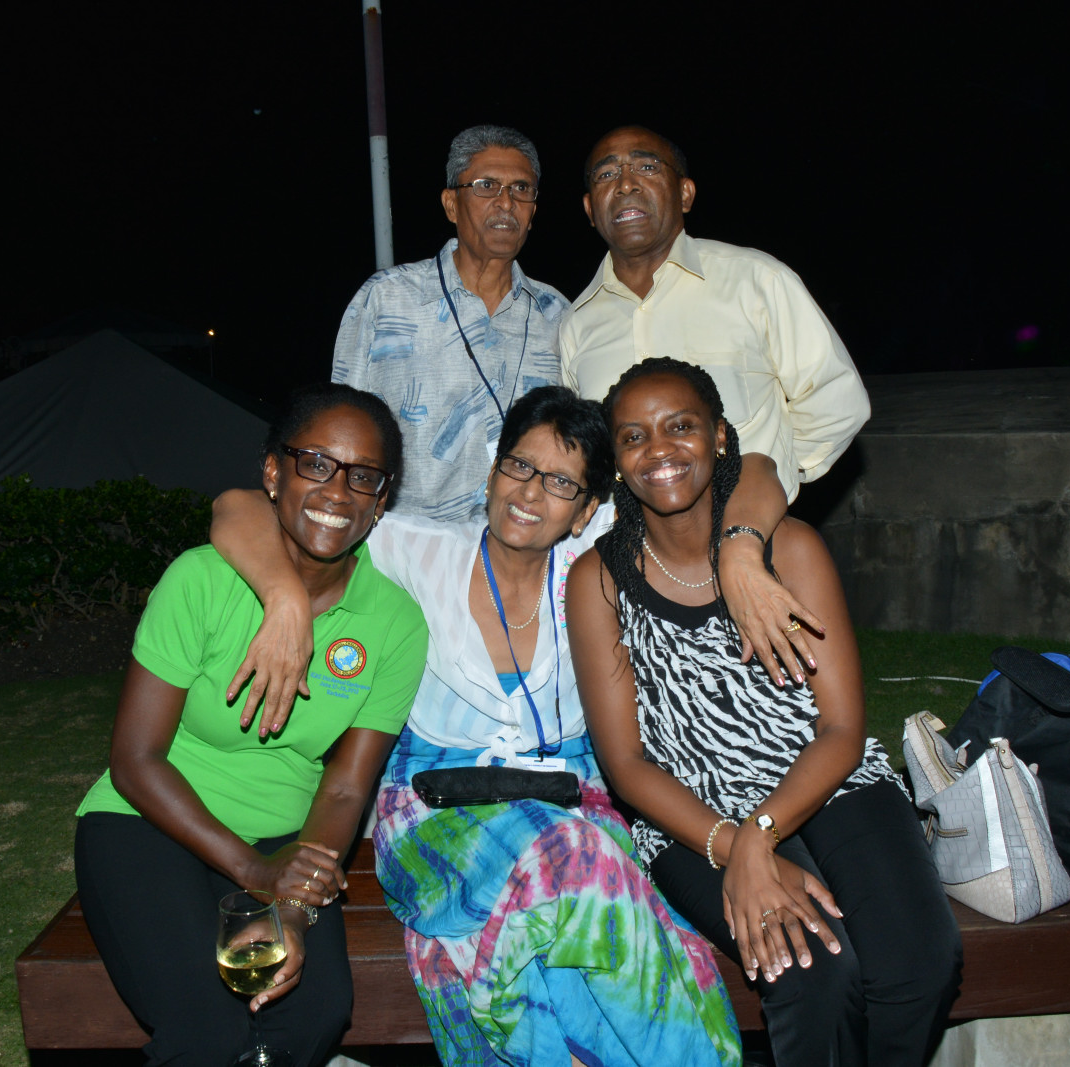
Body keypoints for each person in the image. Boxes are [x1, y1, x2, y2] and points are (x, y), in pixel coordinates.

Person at [210, 385, 814, 1066]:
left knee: (614, 927)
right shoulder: (417, 549)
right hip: (437, 807)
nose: (530, 492)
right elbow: (237, 506)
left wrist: (740, 550)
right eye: (519, 466)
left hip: (571, 799)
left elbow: (756, 471)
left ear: (587, 509)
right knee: (579, 866)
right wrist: (285, 598)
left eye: (560, 482)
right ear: (492, 470)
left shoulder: (600, 552)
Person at [568, 358, 962, 1067]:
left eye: (680, 426)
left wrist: (760, 837)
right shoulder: (599, 579)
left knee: (919, 963)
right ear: (617, 460)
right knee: (812, 972)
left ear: (719, 435)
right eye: (633, 437)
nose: (659, 450)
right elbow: (625, 764)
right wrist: (733, 843)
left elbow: (841, 728)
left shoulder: (791, 548)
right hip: (691, 812)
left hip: (829, 778)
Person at [73, 383, 428, 1067]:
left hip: (281, 836)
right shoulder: (201, 581)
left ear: (382, 499)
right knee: (207, 1031)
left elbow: (346, 787)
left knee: (315, 1016)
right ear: (273, 471)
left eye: (364, 476)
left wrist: (291, 906)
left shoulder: (395, 623)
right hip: (145, 821)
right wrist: (256, 872)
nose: (338, 491)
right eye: (316, 463)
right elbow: (136, 759)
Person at [558, 126, 871, 504]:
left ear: (685, 194)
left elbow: (837, 402)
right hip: (624, 539)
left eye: (647, 167)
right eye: (606, 174)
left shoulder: (756, 281)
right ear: (590, 209)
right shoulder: (576, 324)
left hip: (752, 532)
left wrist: (770, 487)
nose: (625, 184)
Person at [333, 124, 569, 521]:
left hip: (521, 544)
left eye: (521, 189)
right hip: (405, 544)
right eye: (486, 186)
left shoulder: (557, 315)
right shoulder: (387, 298)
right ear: (451, 205)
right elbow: (339, 431)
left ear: (533, 212)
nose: (506, 203)